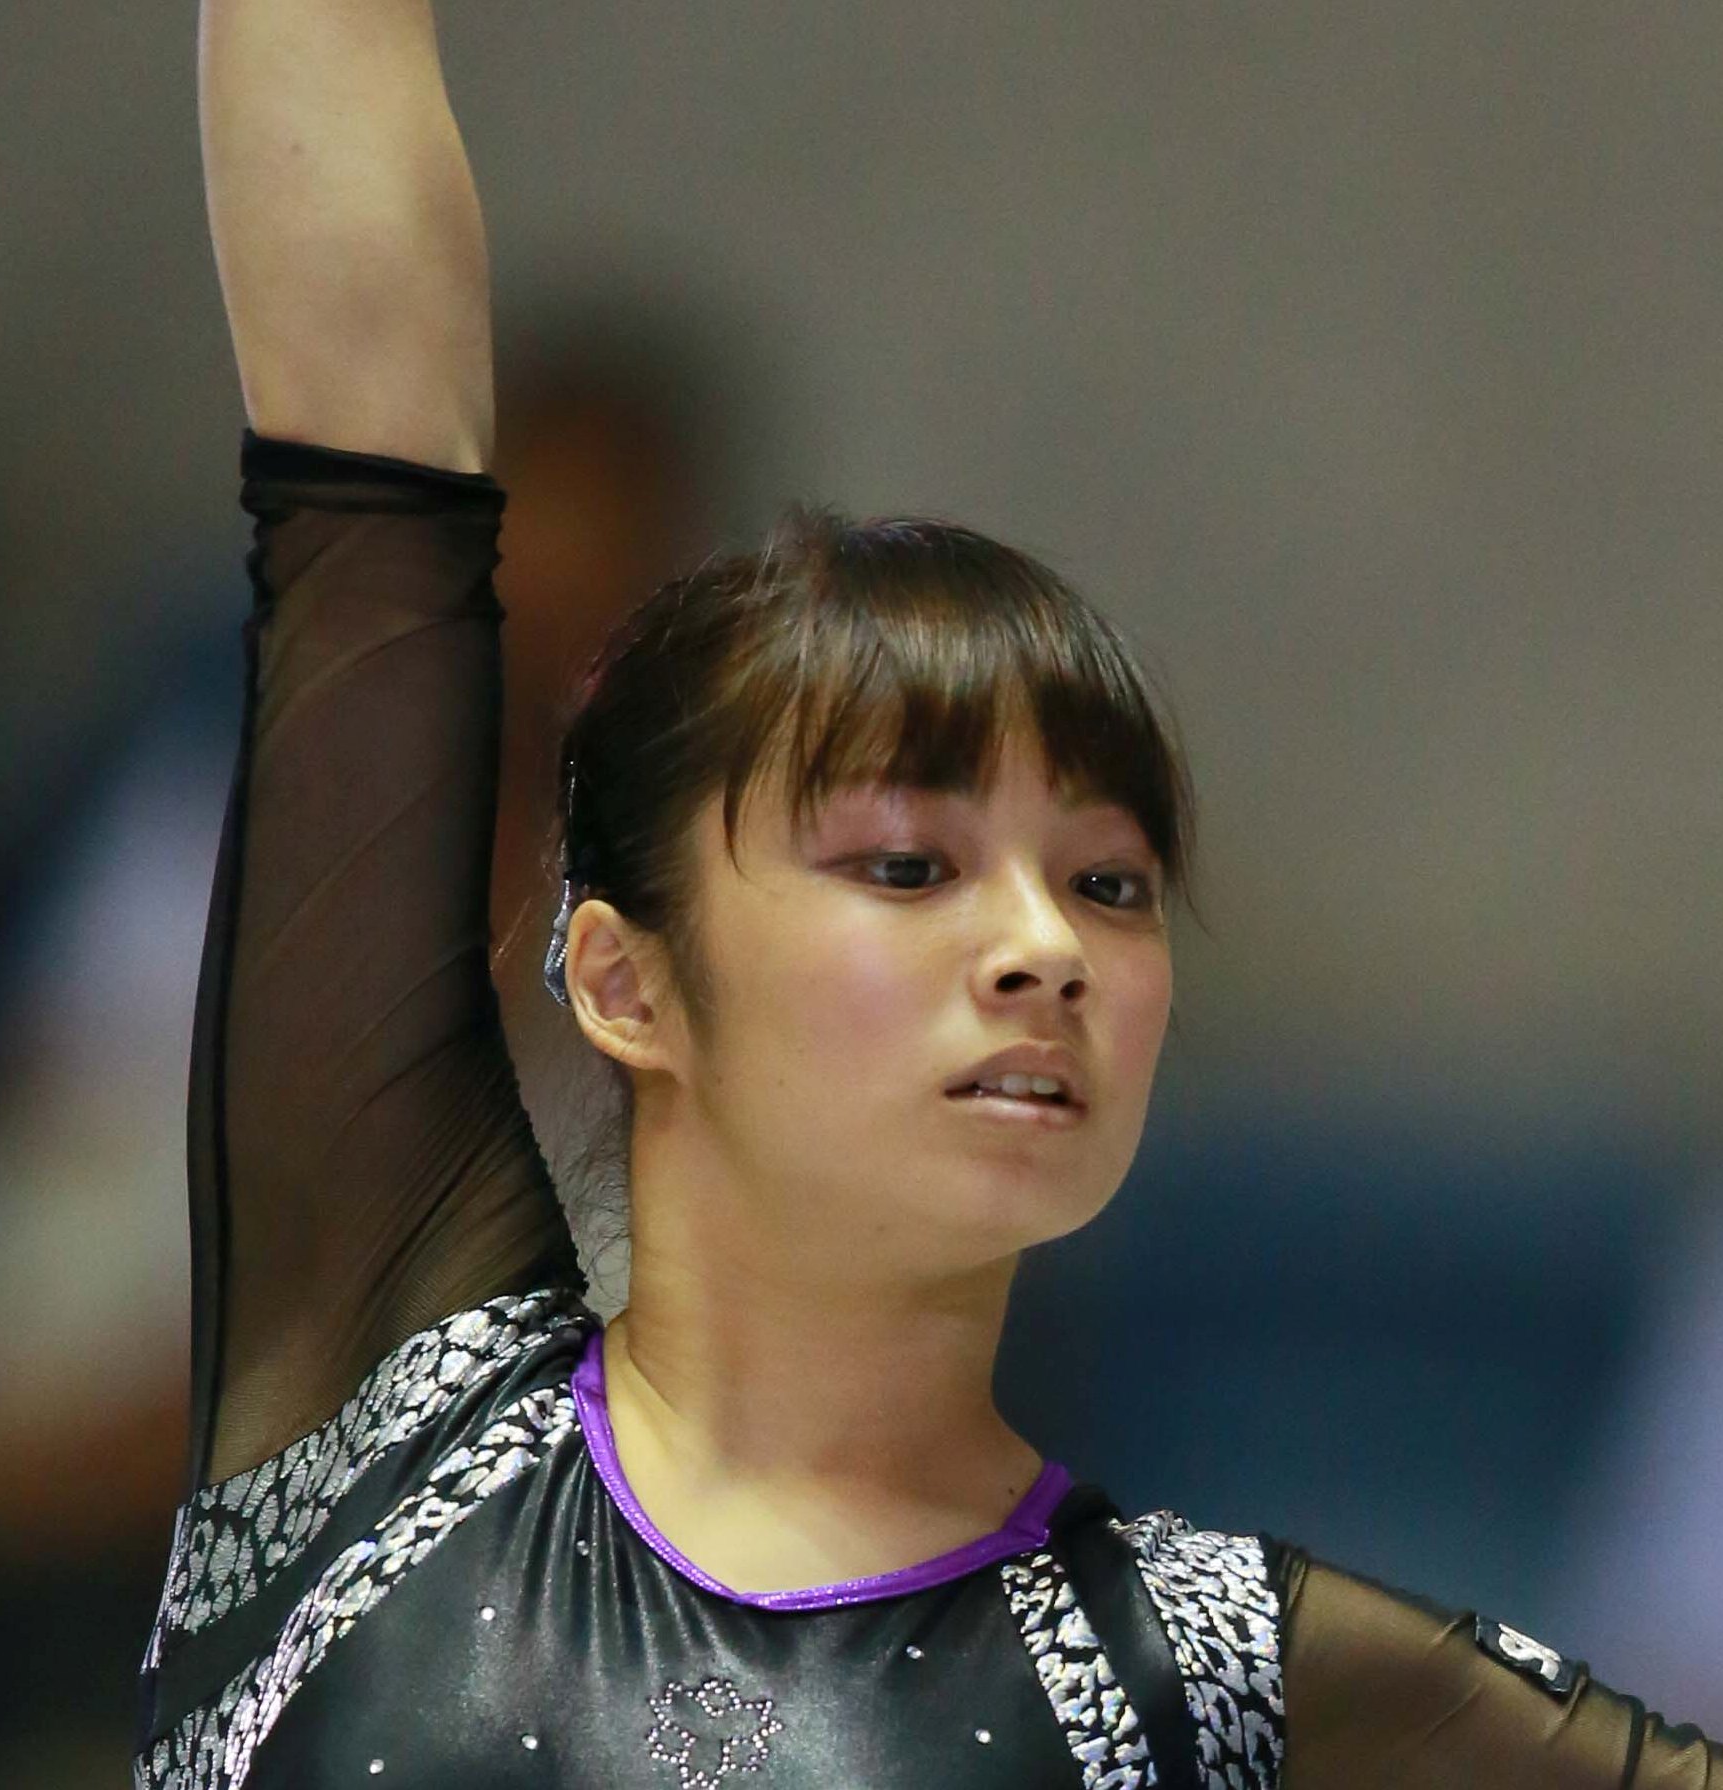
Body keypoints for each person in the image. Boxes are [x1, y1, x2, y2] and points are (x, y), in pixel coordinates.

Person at [137, 2, 1720, 1784]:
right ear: (625, 979)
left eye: (1110, 881)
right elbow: (368, 421)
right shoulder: (382, 1384)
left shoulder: (1212, 1675)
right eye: (907, 863)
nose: (1046, 948)